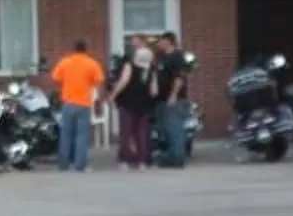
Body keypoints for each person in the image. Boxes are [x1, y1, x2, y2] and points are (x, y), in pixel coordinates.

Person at [49, 39, 104, 172]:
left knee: (66, 134)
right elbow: (99, 82)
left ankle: (63, 164)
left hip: (68, 102)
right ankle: (80, 165)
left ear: (74, 49)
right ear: (86, 49)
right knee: (81, 136)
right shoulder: (92, 63)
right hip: (84, 103)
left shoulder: (65, 62)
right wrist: (98, 99)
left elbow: (55, 78)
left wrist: (64, 86)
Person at [109, 34, 158, 169]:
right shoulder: (151, 68)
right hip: (144, 104)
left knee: (126, 132)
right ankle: (142, 161)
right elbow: (154, 90)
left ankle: (125, 160)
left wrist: (113, 95)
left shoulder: (130, 65)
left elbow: (124, 81)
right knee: (141, 133)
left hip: (128, 102)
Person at [150, 33, 193, 168]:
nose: (159, 43)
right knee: (164, 129)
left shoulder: (178, 57)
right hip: (161, 101)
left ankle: (178, 158)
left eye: (161, 41)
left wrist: (173, 95)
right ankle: (170, 156)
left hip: (175, 100)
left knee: (175, 130)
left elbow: (179, 78)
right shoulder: (161, 57)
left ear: (168, 42)